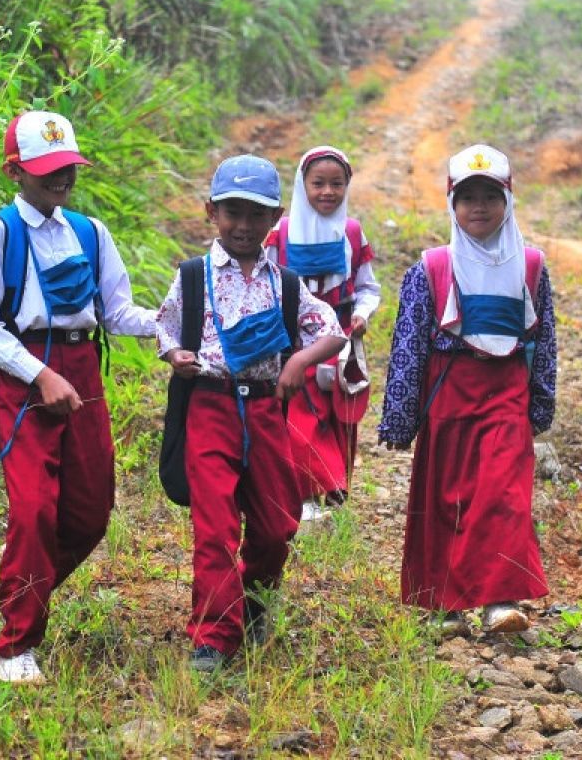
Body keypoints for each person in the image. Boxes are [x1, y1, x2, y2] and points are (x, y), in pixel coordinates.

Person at [0, 110, 156, 682]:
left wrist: (177, 328)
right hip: (22, 377)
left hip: (83, 370)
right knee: (32, 510)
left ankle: (24, 585)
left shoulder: (92, 233)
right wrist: (39, 375)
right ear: (15, 171)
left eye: (68, 168)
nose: (62, 180)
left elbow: (117, 312)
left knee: (90, 511)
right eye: (48, 170)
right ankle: (16, 642)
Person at [155, 154, 347, 672]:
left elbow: (330, 328)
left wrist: (300, 364)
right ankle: (212, 639)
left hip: (263, 410)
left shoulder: (284, 283)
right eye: (232, 213)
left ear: (275, 218)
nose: (243, 226)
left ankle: (255, 599)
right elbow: (166, 329)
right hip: (210, 407)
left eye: (255, 215)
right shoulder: (193, 277)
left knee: (276, 524)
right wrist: (177, 356)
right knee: (214, 525)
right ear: (212, 212)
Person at [378, 143, 557, 636]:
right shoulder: (432, 267)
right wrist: (399, 416)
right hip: (448, 394)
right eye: (468, 197)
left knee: (504, 495)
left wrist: (540, 404)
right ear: (452, 205)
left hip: (505, 394)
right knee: (446, 497)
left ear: (509, 201)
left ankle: (499, 598)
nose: (479, 207)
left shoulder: (530, 267)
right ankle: (445, 605)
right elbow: (408, 345)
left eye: (490, 196)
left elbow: (544, 342)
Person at [266, 146, 381, 521]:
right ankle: (305, 491)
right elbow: (265, 285)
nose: (328, 192)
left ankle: (332, 488)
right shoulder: (281, 233)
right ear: (303, 185)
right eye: (318, 183)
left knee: (338, 415)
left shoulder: (351, 232)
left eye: (337, 184)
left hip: (340, 344)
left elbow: (367, 287)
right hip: (294, 344)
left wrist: (361, 314)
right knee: (299, 415)